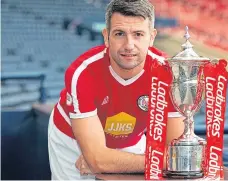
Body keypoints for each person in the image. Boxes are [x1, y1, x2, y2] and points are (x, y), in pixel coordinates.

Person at [47, 0, 185, 180]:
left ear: (152, 37)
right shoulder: (83, 72)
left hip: (130, 140)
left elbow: (173, 151)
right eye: (120, 34)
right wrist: (99, 160)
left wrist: (105, 161)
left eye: (138, 34)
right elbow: (98, 160)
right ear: (106, 36)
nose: (129, 45)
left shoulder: (169, 74)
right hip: (72, 141)